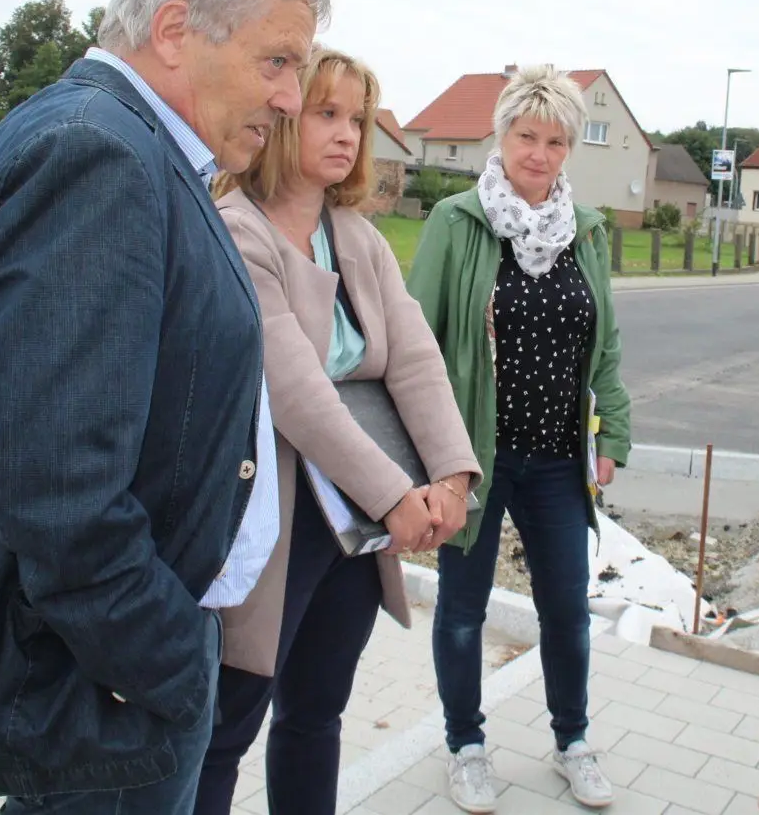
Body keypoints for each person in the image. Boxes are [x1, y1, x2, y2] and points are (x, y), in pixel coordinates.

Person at [0, 0, 328, 815]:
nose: (289, 98)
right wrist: (169, 665)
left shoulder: (129, 147)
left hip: (102, 677)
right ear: (173, 31)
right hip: (103, 689)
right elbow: (58, 490)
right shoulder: (100, 154)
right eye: (278, 61)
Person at [196, 47, 482, 815]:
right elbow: (295, 392)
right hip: (273, 520)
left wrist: (452, 478)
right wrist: (397, 497)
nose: (348, 134)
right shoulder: (235, 231)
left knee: (317, 713)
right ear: (283, 118)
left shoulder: (356, 235)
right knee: (225, 727)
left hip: (352, 527)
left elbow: (417, 360)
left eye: (356, 119)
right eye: (327, 113)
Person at [407, 64, 631, 813]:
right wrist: (426, 462)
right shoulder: (456, 222)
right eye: (527, 136)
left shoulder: (588, 233)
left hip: (558, 461)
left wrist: (615, 433)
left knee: (567, 610)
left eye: (556, 140)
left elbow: (605, 349)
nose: (539, 153)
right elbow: (419, 344)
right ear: (500, 137)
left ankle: (574, 742)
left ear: (570, 149)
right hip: (474, 459)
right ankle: (466, 747)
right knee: (462, 611)